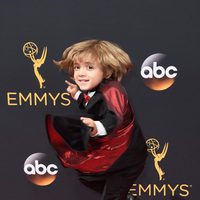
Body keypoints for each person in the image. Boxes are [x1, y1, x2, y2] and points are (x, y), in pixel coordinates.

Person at [46, 39, 147, 200]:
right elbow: (96, 106)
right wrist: (77, 95)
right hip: (113, 152)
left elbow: (113, 118)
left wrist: (95, 127)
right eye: (77, 67)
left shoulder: (113, 90)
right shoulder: (98, 89)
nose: (80, 73)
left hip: (127, 157)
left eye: (89, 67)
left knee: (113, 195)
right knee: (87, 178)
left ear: (106, 72)